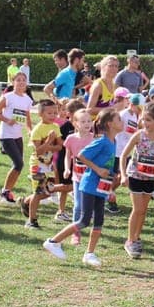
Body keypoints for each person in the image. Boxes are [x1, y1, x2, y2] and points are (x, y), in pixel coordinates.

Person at [42, 109, 123, 267]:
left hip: (102, 187)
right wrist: (98, 170)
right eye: (119, 119)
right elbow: (81, 155)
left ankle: (89, 254)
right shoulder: (102, 141)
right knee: (84, 220)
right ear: (110, 124)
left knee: (99, 221)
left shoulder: (114, 141)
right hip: (89, 185)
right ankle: (53, 242)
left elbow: (109, 167)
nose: (122, 121)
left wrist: (111, 188)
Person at [120, 102, 154, 258]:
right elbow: (124, 156)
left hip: (151, 179)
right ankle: (130, 241)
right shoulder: (139, 135)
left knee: (143, 211)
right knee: (137, 209)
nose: (145, 123)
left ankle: (137, 237)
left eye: (148, 120)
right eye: (143, 120)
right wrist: (124, 175)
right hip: (136, 176)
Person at [20, 99, 62, 230]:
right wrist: (49, 141)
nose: (53, 115)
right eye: (50, 113)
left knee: (48, 192)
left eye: (55, 112)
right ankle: (31, 221)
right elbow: (38, 151)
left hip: (48, 165)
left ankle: (26, 201)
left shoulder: (55, 127)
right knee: (38, 194)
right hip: (37, 165)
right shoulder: (37, 130)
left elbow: (60, 146)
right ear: (41, 114)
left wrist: (50, 145)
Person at [0, 71, 33, 205]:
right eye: (18, 80)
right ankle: (4, 192)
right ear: (13, 82)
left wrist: (30, 132)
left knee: (18, 165)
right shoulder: (7, 97)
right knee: (19, 163)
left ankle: (7, 191)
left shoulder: (28, 99)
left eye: (24, 80)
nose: (21, 82)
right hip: (6, 135)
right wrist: (7, 120)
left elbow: (28, 119)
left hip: (18, 135)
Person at [62, 104, 94, 232]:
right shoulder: (71, 138)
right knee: (77, 205)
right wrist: (67, 169)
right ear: (75, 123)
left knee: (89, 205)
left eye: (89, 121)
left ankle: (92, 224)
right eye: (83, 121)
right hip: (77, 177)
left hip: (91, 177)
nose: (87, 124)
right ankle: (75, 230)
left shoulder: (95, 139)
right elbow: (67, 155)